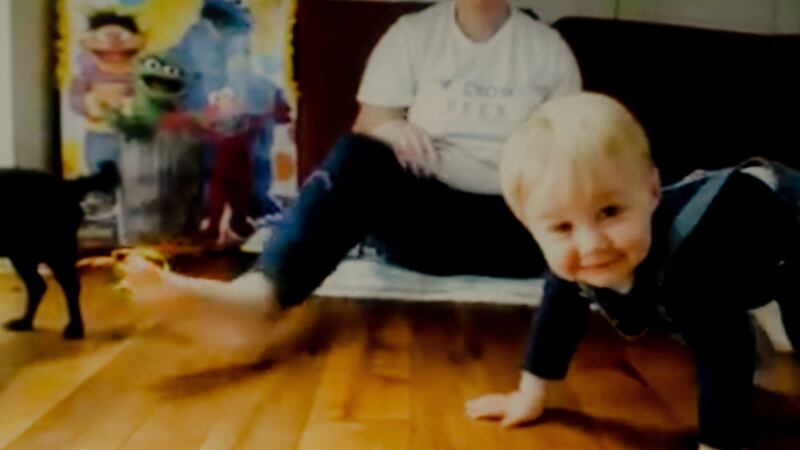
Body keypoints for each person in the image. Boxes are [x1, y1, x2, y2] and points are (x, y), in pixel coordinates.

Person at [119, 0, 581, 320]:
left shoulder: (547, 49)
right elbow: (367, 135)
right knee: (356, 152)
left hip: (518, 229)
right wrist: (388, 128)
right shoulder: (411, 37)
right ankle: (258, 298)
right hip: (423, 232)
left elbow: (574, 151)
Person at [465, 92, 799, 450]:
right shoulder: (576, 262)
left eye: (609, 212)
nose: (592, 244)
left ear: (652, 191)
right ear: (528, 225)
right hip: (733, 256)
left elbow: (724, 356)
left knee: (738, 322)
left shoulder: (692, 262)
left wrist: (718, 443)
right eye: (562, 228)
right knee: (713, 313)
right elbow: (558, 315)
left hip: (783, 224)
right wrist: (529, 394)